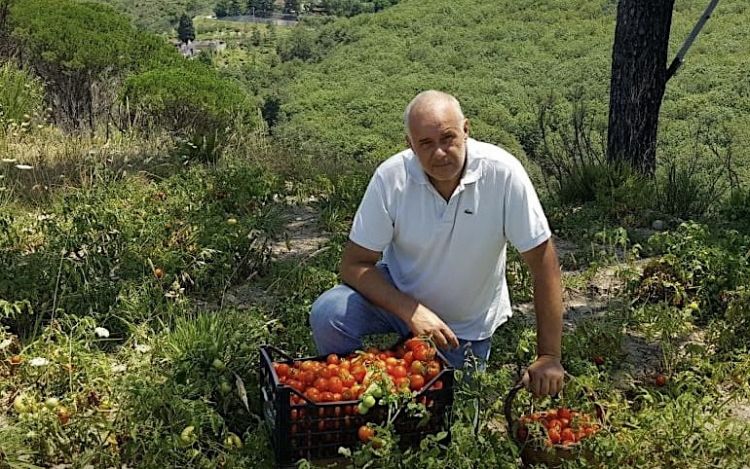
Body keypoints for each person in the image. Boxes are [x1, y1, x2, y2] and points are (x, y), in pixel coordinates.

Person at [310, 90, 564, 396]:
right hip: (399, 295)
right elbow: (354, 265)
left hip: (462, 327)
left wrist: (549, 356)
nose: (440, 153)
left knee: (449, 409)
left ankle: (389, 374)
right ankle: (353, 396)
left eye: (448, 138)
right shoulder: (392, 178)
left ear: (466, 130)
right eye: (426, 144)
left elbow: (543, 263)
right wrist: (411, 311)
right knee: (329, 314)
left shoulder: (503, 174)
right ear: (410, 145)